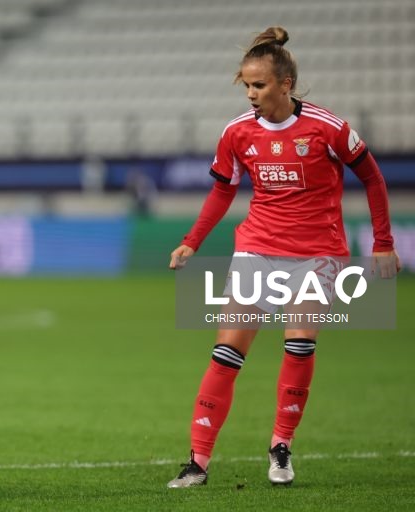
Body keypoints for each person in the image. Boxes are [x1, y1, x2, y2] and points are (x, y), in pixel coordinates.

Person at [166, 27, 400, 488]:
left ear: (285, 84)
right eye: (247, 85)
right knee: (226, 352)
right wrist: (192, 239)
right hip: (257, 249)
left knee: (298, 343)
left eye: (260, 85)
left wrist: (383, 242)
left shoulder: (327, 128)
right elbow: (222, 189)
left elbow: (373, 179)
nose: (252, 94)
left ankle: (281, 447)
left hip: (318, 255)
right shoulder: (237, 133)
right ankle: (197, 461)